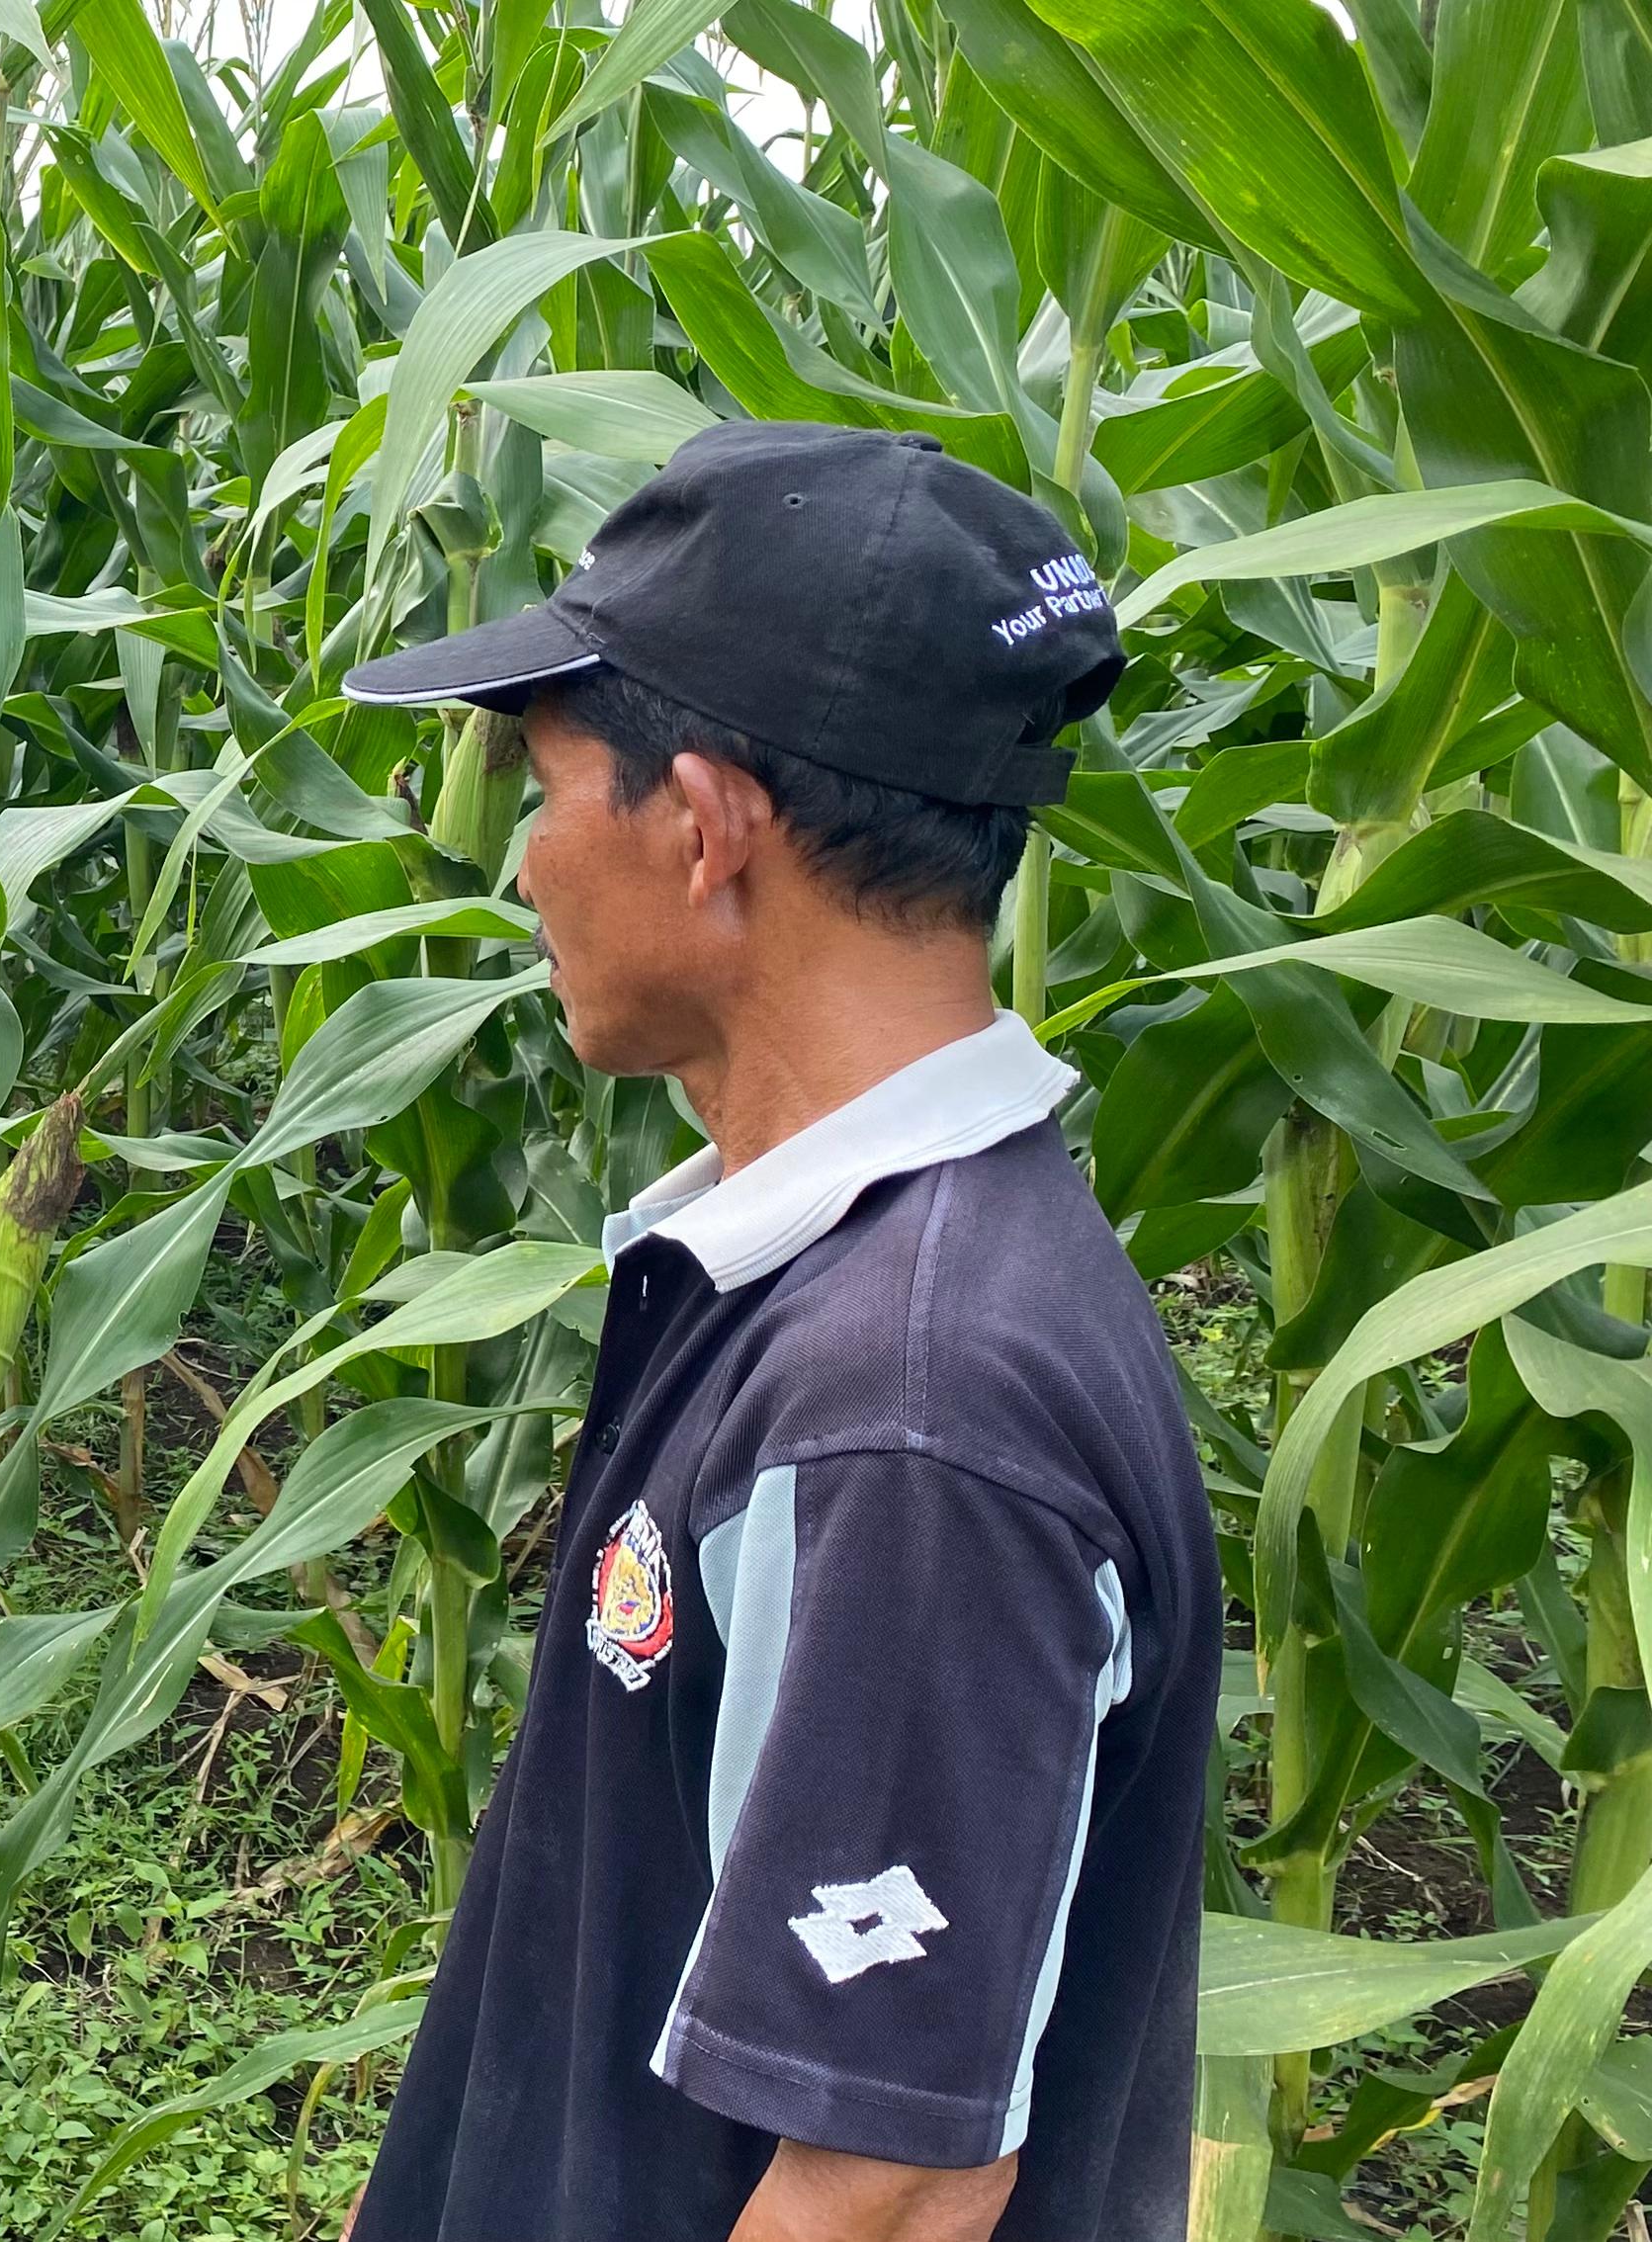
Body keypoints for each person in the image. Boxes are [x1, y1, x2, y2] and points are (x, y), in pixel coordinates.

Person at [329, 421, 1212, 2242]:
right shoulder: (849, 1293)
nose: (521, 867)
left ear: (705, 827)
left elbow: (885, 2182)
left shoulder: (910, 1411)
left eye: (550, 790)